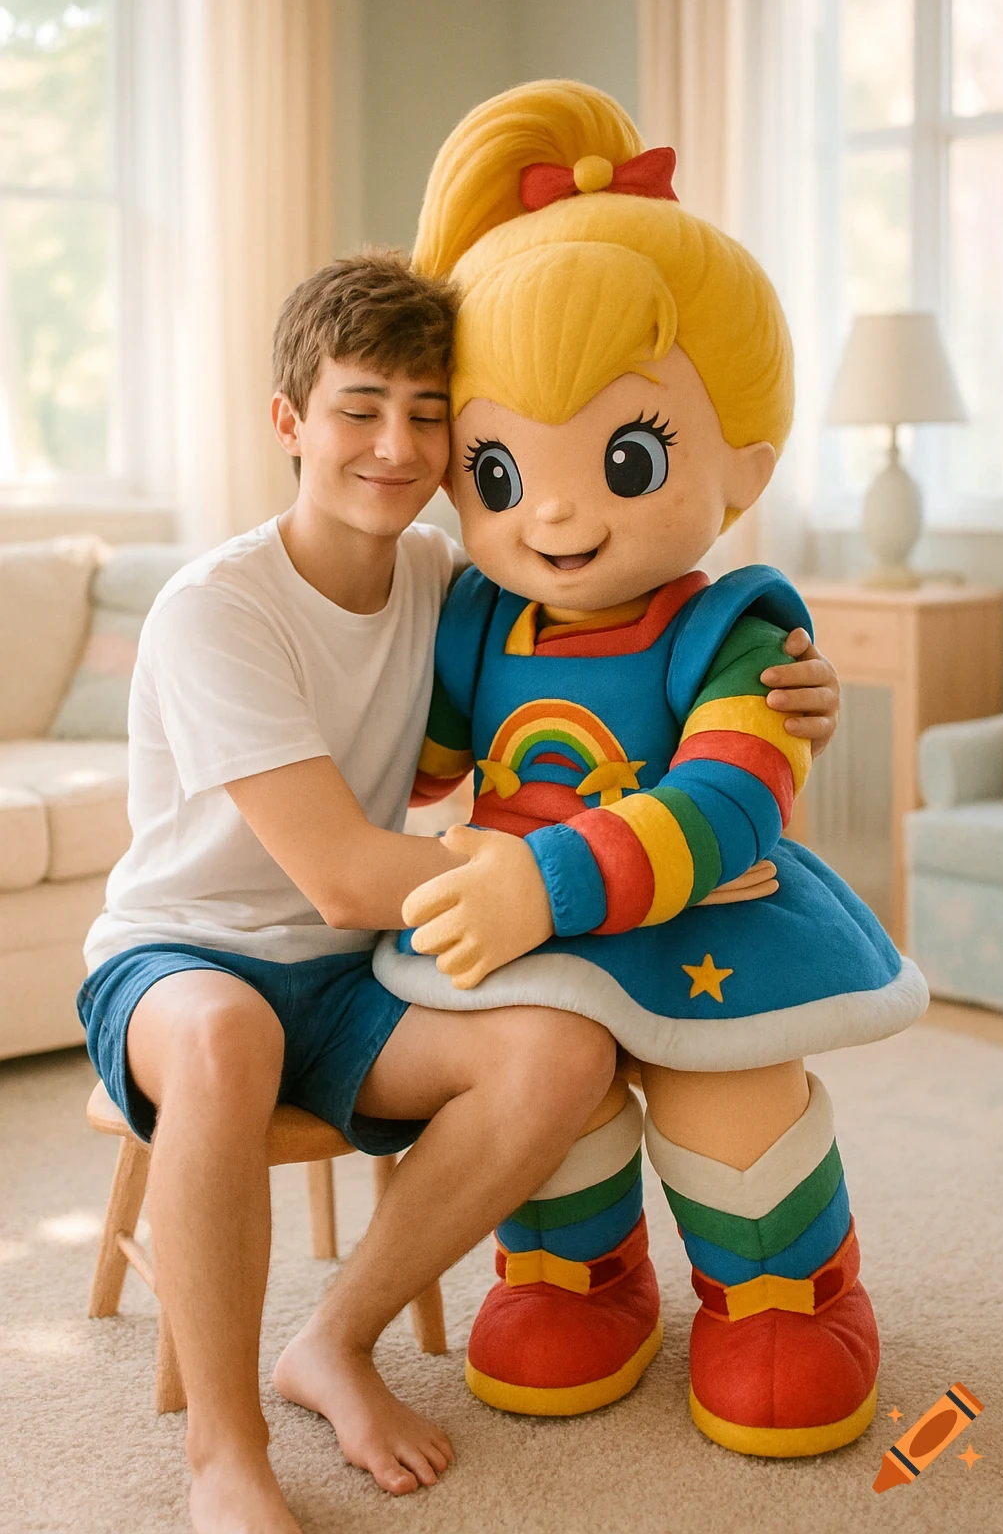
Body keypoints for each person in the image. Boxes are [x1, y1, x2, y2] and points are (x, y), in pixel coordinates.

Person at [78, 250, 840, 1533]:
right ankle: (224, 1453)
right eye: (359, 408)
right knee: (226, 1033)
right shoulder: (217, 607)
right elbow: (339, 871)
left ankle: (331, 1338)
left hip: (347, 975)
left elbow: (620, 616)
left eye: (427, 415)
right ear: (290, 424)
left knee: (558, 1051)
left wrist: (782, 682)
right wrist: (587, 883)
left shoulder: (449, 582)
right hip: (183, 959)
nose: (395, 444)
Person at [377, 81, 929, 1456]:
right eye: (501, 472)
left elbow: (733, 798)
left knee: (724, 1097)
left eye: (625, 457)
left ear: (740, 460)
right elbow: (419, 756)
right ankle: (575, 1276)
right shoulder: (474, 618)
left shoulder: (733, 624)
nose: (553, 507)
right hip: (528, 936)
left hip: (696, 919)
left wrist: (542, 882)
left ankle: (788, 1299)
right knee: (535, 1103)